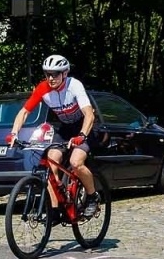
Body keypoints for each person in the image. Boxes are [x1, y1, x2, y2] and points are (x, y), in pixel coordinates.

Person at [6, 54, 101, 218]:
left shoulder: (74, 85)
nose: (51, 78)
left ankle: (92, 197)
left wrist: (82, 135)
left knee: (76, 162)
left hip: (85, 126)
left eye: (55, 74)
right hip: (65, 128)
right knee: (50, 164)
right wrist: (14, 133)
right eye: (47, 74)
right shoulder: (43, 88)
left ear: (65, 73)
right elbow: (24, 112)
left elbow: (89, 115)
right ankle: (56, 209)